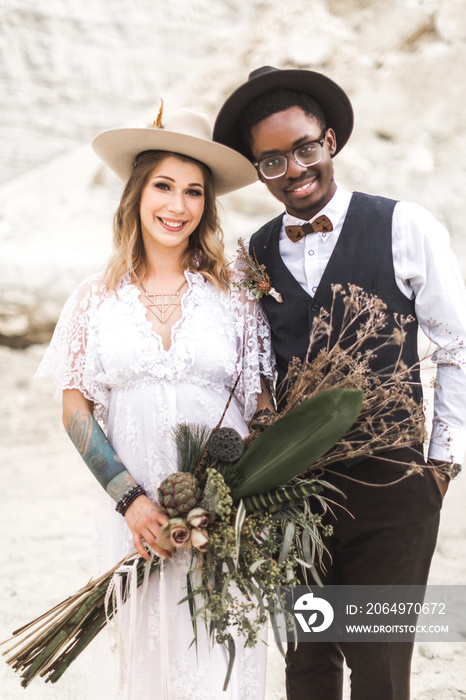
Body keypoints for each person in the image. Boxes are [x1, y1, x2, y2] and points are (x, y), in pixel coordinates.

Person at [213, 66, 466, 700]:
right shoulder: (255, 254)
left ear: (329, 140)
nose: (294, 169)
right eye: (271, 161)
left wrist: (442, 464)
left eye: (304, 148)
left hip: (395, 488)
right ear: (257, 168)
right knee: (308, 662)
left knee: (379, 668)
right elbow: (260, 370)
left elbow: (458, 345)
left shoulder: (405, 225)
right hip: (296, 494)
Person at [37, 106, 274, 700]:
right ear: (136, 195)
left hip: (225, 521)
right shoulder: (95, 299)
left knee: (221, 660)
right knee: (152, 670)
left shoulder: (235, 294)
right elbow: (75, 412)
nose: (178, 205)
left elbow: (263, 407)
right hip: (136, 523)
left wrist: (234, 495)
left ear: (207, 205)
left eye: (194, 191)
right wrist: (131, 502)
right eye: (163, 186)